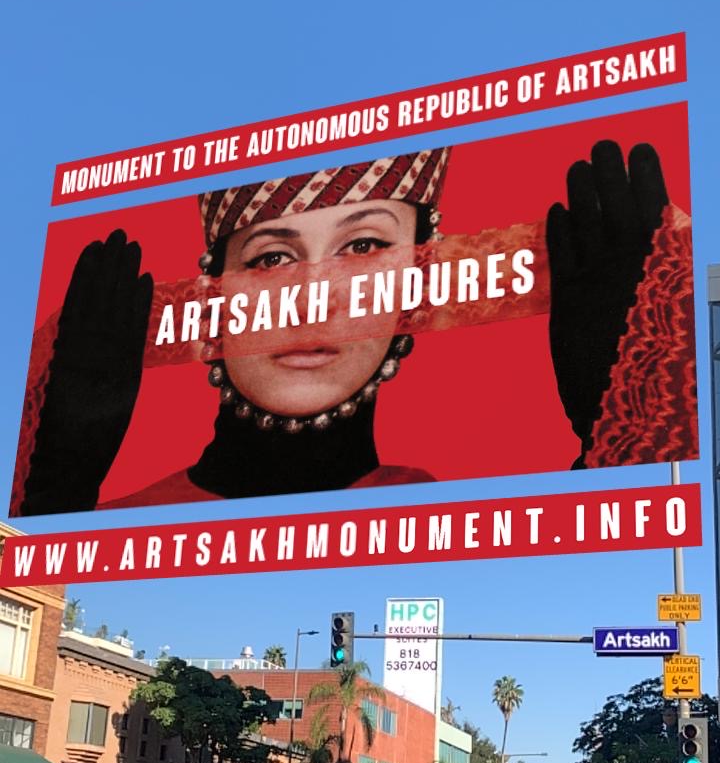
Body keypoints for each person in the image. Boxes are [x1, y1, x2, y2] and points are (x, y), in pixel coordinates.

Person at [16, 138, 691, 514]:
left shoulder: (435, 510)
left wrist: (627, 428)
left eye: (363, 247)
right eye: (272, 256)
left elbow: (604, 559)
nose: (315, 296)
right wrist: (58, 493)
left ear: (414, 288)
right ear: (216, 293)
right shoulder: (123, 520)